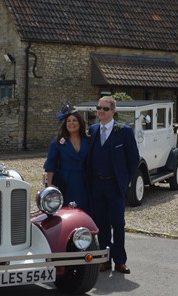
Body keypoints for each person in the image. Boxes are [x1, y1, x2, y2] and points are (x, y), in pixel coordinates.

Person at [86, 96, 140, 274]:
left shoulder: (124, 132)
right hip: (97, 186)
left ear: (113, 111)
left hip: (115, 185)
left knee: (118, 224)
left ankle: (120, 261)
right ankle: (104, 259)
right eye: (98, 107)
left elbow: (133, 160)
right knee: (101, 224)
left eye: (105, 108)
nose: (101, 111)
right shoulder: (92, 130)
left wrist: (124, 182)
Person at [43, 109, 91, 209]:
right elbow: (51, 164)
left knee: (83, 208)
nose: (71, 123)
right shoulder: (57, 141)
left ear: (80, 123)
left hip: (83, 180)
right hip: (65, 180)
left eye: (74, 120)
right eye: (68, 121)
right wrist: (50, 184)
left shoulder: (88, 140)